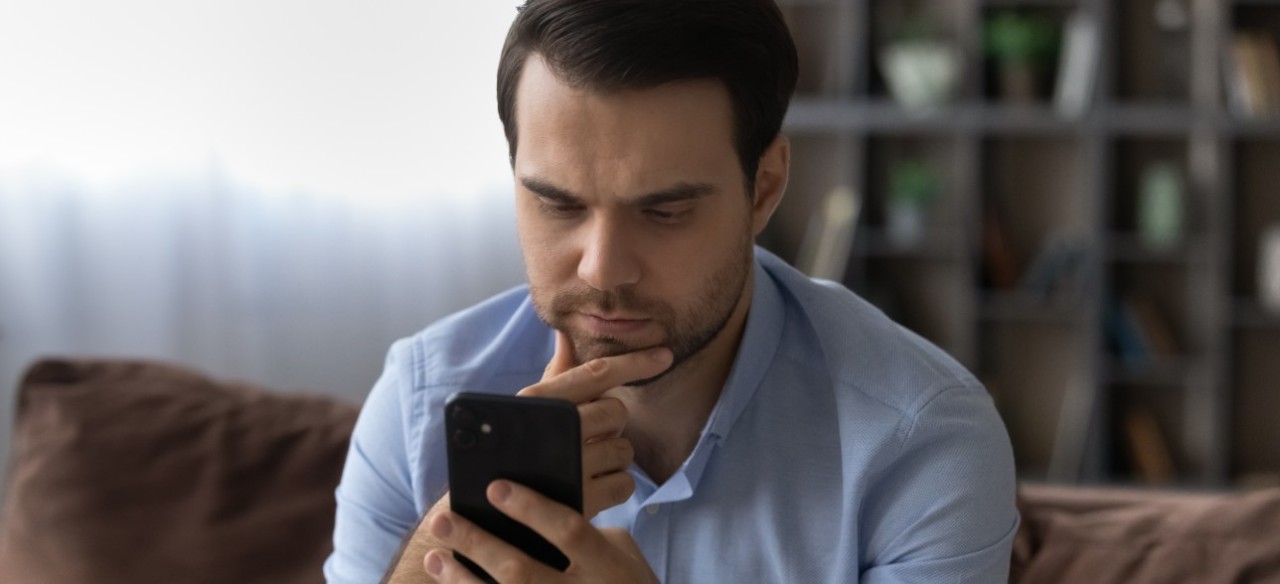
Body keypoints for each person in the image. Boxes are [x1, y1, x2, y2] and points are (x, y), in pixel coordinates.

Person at [324, 0, 1019, 582]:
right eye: (558, 205)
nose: (602, 269)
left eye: (664, 212)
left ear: (766, 188)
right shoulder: (421, 404)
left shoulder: (920, 442)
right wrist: (447, 546)